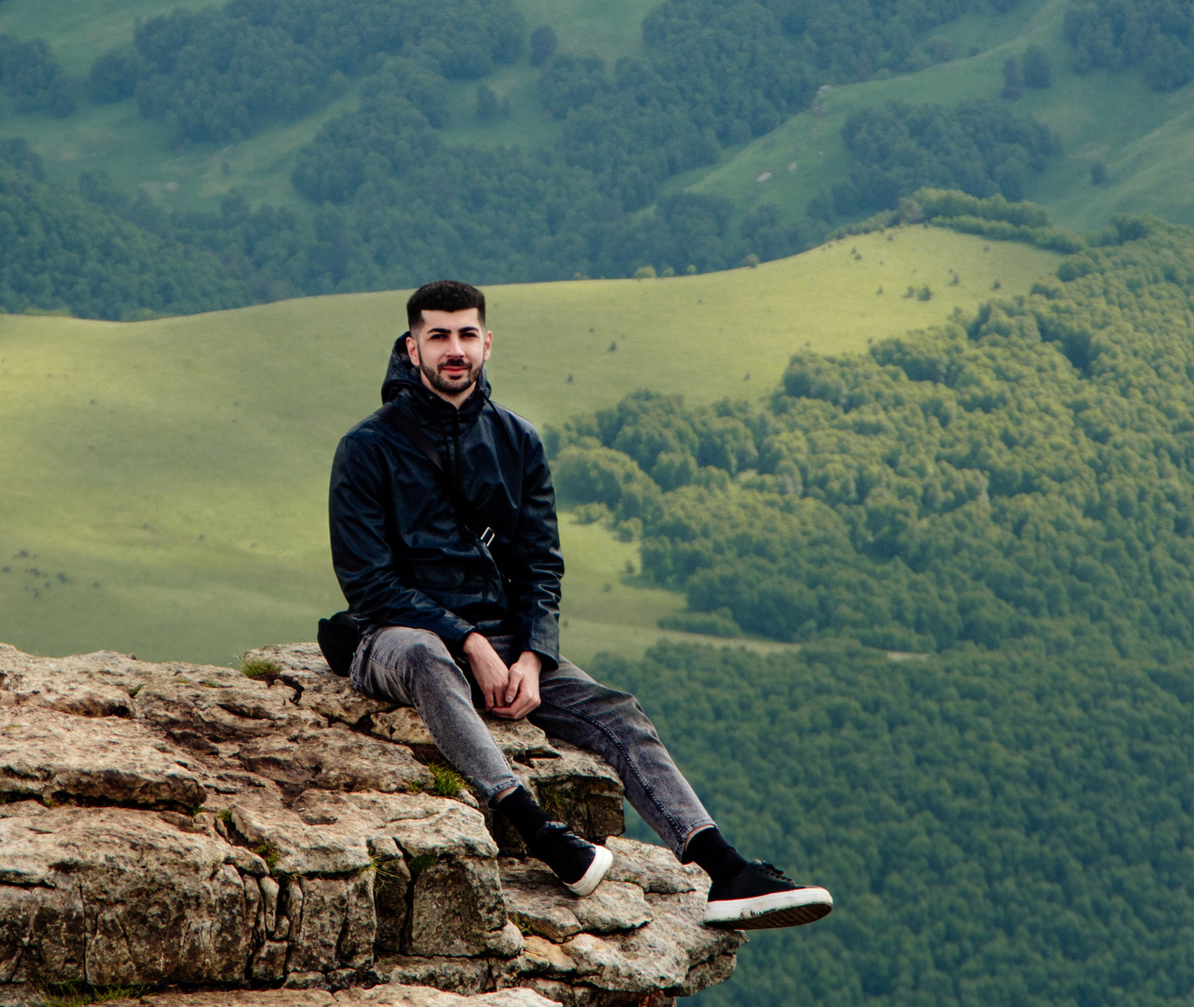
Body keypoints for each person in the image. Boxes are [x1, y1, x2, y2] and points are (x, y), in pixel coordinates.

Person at [327, 278, 832, 931]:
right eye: (439, 335)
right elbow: (368, 582)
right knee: (429, 656)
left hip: (506, 639)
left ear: (487, 342)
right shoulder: (367, 447)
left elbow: (540, 564)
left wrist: (533, 656)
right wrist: (469, 642)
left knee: (617, 711)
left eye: (467, 334)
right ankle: (541, 833)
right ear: (411, 346)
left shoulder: (518, 441)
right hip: (395, 637)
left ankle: (725, 869)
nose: (455, 349)